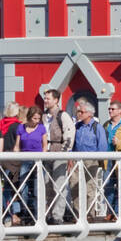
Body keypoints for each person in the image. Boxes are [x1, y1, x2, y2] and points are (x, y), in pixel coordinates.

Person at [71, 98, 109, 219]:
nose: (79, 114)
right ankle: (77, 214)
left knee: (90, 188)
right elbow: (72, 143)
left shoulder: (97, 127)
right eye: (78, 111)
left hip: (91, 160)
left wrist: (98, 159)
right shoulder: (77, 126)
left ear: (89, 113)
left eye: (81, 112)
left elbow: (102, 145)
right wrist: (70, 158)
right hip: (77, 159)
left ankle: (90, 213)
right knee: (74, 186)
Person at [42, 89, 75, 223]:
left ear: (56, 100)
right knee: (47, 185)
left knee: (59, 185)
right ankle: (49, 214)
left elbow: (69, 134)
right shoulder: (43, 116)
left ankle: (58, 215)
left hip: (58, 151)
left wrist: (64, 152)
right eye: (45, 98)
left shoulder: (63, 116)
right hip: (46, 153)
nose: (45, 100)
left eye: (48, 98)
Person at [14, 105, 48, 222]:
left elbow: (45, 145)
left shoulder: (42, 128)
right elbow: (17, 146)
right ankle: (25, 212)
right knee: (23, 188)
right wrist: (14, 158)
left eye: (38, 119)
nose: (36, 121)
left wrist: (43, 158)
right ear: (29, 117)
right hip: (24, 160)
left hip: (38, 160)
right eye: (34, 118)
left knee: (37, 188)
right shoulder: (21, 128)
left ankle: (37, 214)